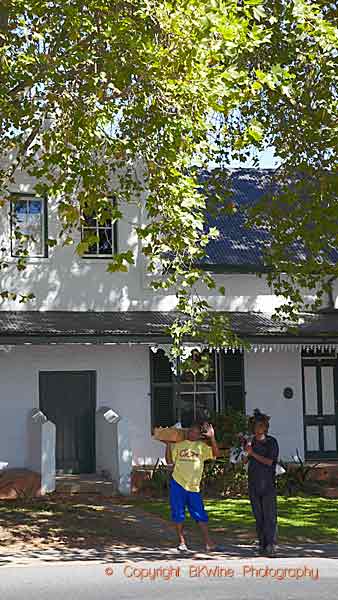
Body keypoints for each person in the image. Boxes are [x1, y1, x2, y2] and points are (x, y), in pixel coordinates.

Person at [163, 420, 222, 553]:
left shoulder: (202, 447)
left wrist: (212, 437)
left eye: (195, 432)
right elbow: (169, 461)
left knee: (200, 514)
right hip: (178, 483)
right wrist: (168, 445)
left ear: (200, 435)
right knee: (178, 513)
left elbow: (216, 454)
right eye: (190, 431)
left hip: (194, 487)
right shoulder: (179, 445)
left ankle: (208, 543)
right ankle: (182, 542)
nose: (192, 433)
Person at [244, 408, 279, 557]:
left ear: (265, 427)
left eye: (260, 426)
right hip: (254, 483)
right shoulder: (249, 442)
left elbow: (270, 462)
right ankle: (262, 544)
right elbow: (245, 460)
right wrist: (246, 453)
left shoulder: (271, 442)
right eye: (255, 426)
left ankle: (271, 544)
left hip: (268, 484)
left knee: (269, 516)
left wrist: (253, 454)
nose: (257, 429)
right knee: (258, 516)